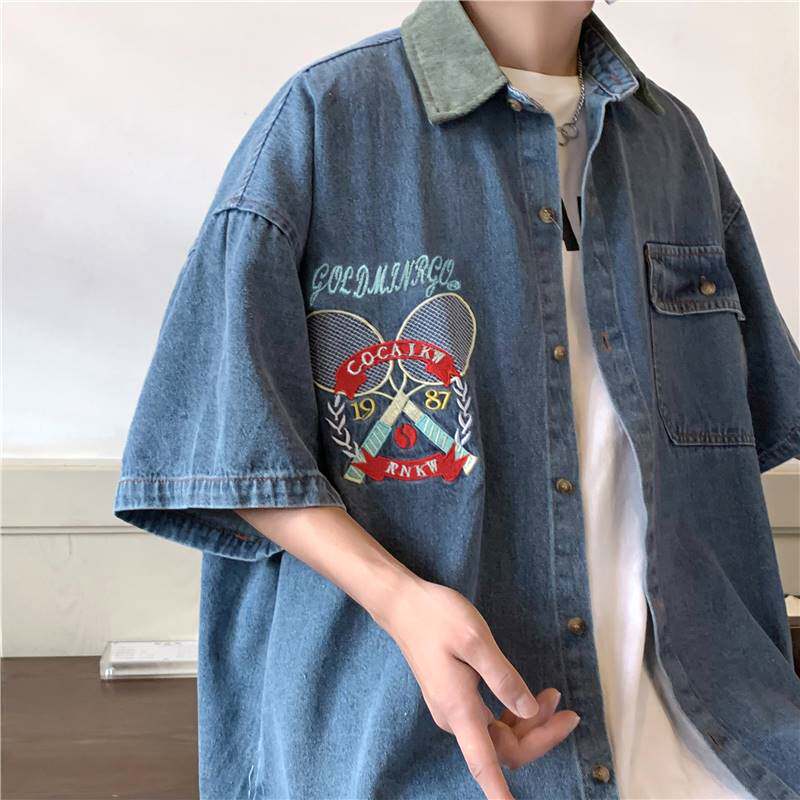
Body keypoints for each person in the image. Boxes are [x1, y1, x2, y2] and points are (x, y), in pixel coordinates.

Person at [114, 1, 800, 798]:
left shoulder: (671, 144)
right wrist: (400, 602)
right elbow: (227, 444)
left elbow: (721, 467)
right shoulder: (326, 122)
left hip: (718, 741)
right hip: (420, 744)